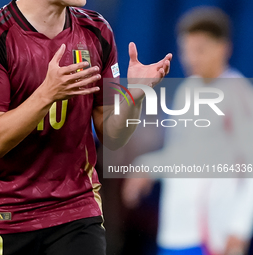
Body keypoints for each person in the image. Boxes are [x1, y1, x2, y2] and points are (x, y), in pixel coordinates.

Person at [0, 0, 172, 254]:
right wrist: (47, 94)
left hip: (76, 212)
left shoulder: (96, 30)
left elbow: (112, 136)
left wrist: (134, 96)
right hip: (6, 214)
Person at [122, 6, 253, 255]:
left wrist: (240, 228)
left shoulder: (239, 96)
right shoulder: (186, 91)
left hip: (213, 234)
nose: (191, 58)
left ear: (224, 48)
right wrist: (147, 167)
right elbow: (182, 155)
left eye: (200, 50)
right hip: (175, 230)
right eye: (186, 49)